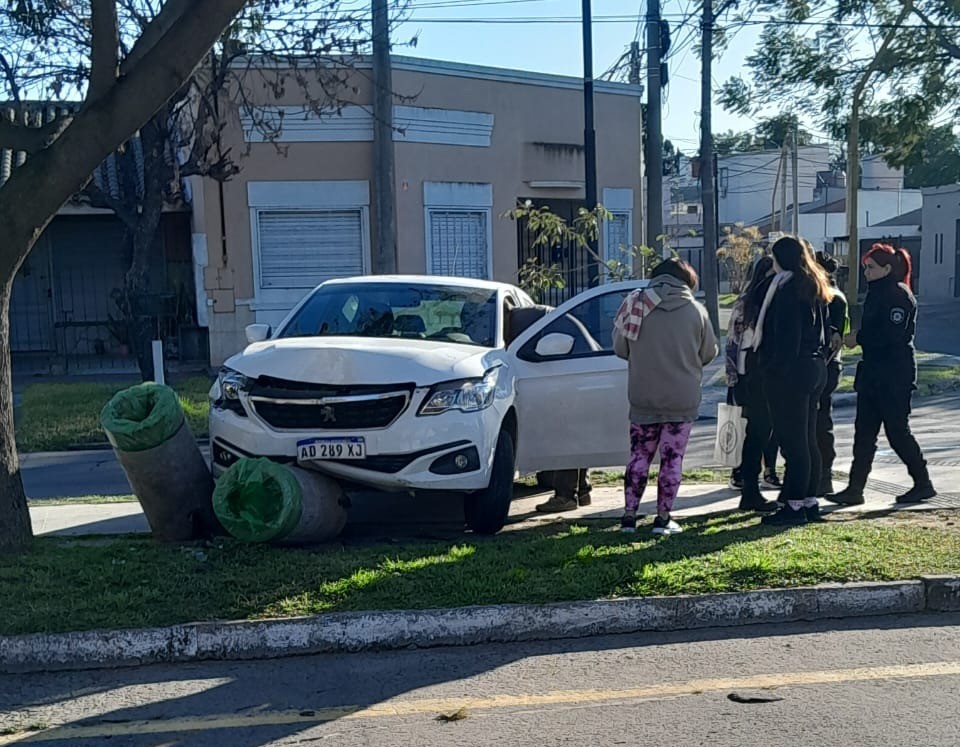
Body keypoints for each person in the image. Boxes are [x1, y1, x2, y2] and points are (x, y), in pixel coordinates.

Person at [613, 258, 718, 535]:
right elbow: (708, 353)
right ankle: (663, 518)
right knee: (672, 459)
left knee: (639, 456)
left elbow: (620, 348)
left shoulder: (636, 305)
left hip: (643, 396)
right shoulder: (697, 311)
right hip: (681, 399)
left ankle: (628, 516)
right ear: (687, 281)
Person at [827, 244, 937, 506]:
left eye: (871, 267)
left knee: (897, 432)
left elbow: (891, 334)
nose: (866, 272)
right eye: (865, 267)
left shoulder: (899, 295)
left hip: (894, 375)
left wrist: (858, 338)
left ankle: (923, 483)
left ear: (887, 268)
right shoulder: (875, 294)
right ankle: (855, 489)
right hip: (873, 374)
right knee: (864, 433)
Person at [754, 236, 832, 525]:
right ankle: (809, 500)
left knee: (793, 440)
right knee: (808, 438)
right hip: (814, 367)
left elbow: (787, 338)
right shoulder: (813, 284)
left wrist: (772, 369)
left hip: (792, 372)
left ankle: (795, 504)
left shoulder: (786, 289)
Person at [724, 255, 781, 512]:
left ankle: (751, 486)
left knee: (759, 434)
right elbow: (732, 343)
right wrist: (733, 378)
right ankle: (750, 489)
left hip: (751, 375)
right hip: (754, 376)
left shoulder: (750, 302)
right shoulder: (753, 303)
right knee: (756, 434)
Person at [814, 250, 849, 496]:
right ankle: (820, 475)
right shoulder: (836, 296)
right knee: (820, 421)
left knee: (820, 422)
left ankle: (823, 475)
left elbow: (834, 336)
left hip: (824, 365)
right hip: (829, 365)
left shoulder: (831, 298)